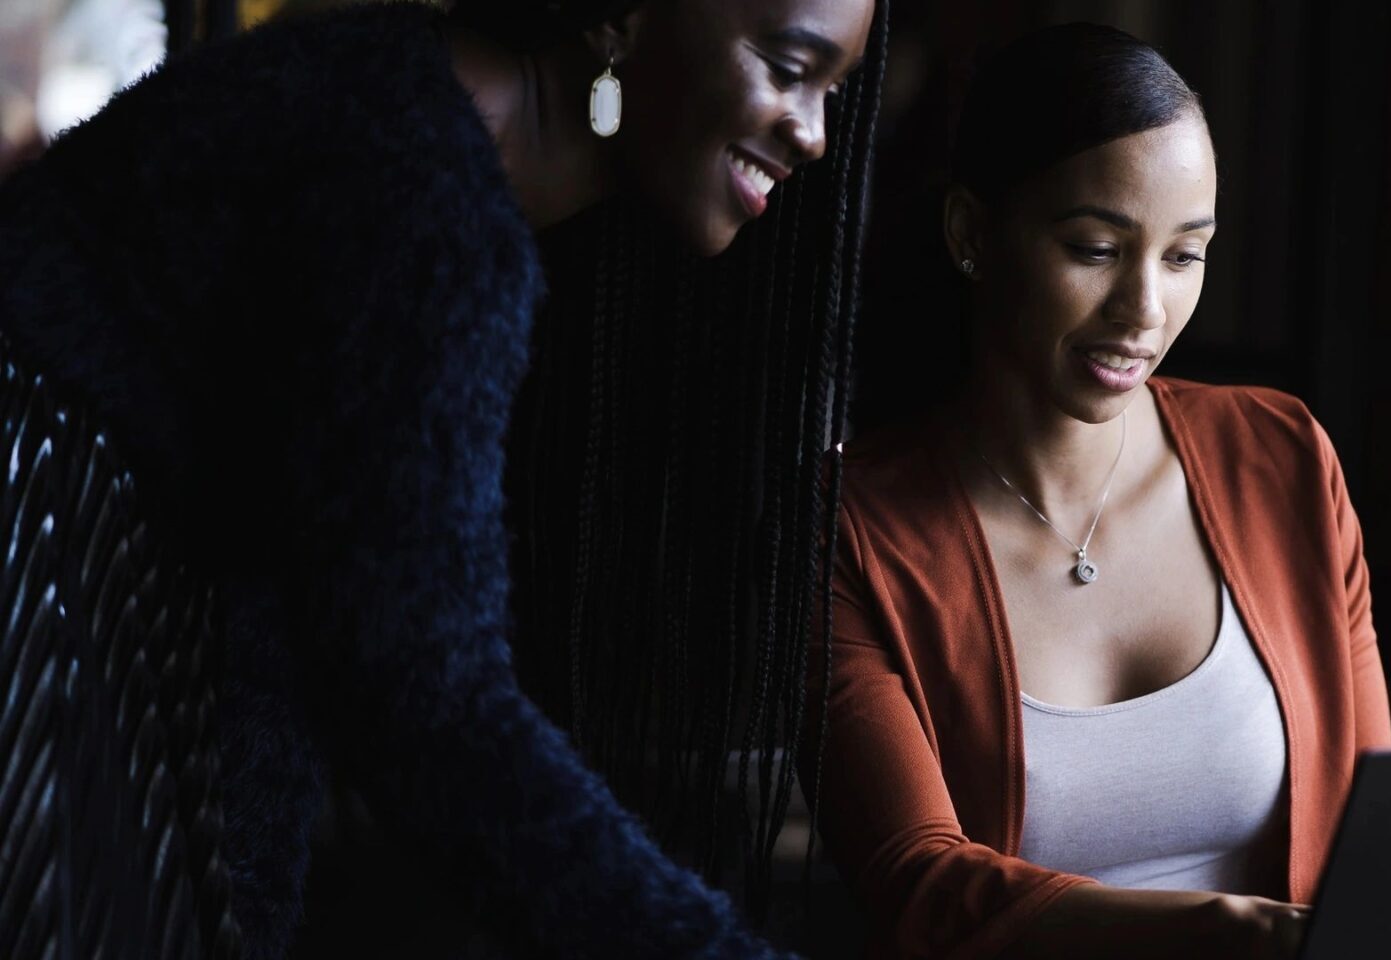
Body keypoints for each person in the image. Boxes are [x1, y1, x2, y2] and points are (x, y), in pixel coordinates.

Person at [0, 0, 883, 956]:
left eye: (832, 91)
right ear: (619, 19)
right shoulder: (425, 197)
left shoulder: (397, 91)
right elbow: (425, 698)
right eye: (789, 68)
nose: (815, 133)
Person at [806, 23, 1390, 959]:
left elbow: (1378, 824)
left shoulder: (1282, 460)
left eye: (1183, 255)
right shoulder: (850, 532)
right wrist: (1228, 931)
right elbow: (918, 886)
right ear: (972, 234)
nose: (1144, 312)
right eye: (1094, 248)